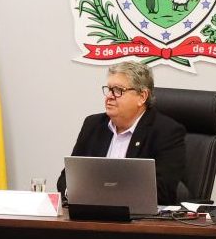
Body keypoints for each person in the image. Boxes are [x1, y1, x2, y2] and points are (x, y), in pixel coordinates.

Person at [57, 61, 186, 205]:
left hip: (137, 216)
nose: (109, 96)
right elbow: (67, 178)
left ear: (142, 96)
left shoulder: (166, 132)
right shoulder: (93, 125)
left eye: (118, 90)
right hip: (90, 212)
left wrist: (105, 195)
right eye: (109, 89)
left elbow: (163, 192)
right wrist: (73, 192)